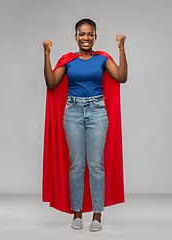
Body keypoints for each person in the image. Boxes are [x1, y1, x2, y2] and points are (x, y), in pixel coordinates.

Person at [42, 18, 128, 231]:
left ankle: (97, 216)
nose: (86, 38)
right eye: (82, 34)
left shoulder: (102, 58)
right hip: (73, 112)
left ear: (95, 37)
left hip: (97, 112)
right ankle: (77, 213)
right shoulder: (68, 60)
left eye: (90, 34)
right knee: (77, 165)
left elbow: (121, 77)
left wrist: (121, 48)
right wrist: (47, 55)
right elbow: (51, 82)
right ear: (76, 37)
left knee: (96, 165)